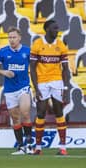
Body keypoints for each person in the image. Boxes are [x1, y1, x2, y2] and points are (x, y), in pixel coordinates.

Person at [30, 19, 70, 155]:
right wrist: (36, 88)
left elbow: (65, 68)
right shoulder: (37, 44)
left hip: (57, 81)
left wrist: (65, 88)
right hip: (41, 82)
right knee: (41, 112)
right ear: (47, 29)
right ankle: (38, 147)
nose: (57, 30)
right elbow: (32, 67)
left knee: (59, 111)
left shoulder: (61, 45)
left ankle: (63, 147)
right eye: (54, 28)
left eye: (57, 28)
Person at [0, 27, 33, 155]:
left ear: (19, 38)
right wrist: (3, 72)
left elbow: (35, 67)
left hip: (23, 87)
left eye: (14, 37)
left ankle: (30, 145)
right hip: (10, 90)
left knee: (25, 112)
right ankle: (21, 147)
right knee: (15, 118)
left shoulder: (27, 51)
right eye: (9, 37)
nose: (11, 40)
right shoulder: (3, 52)